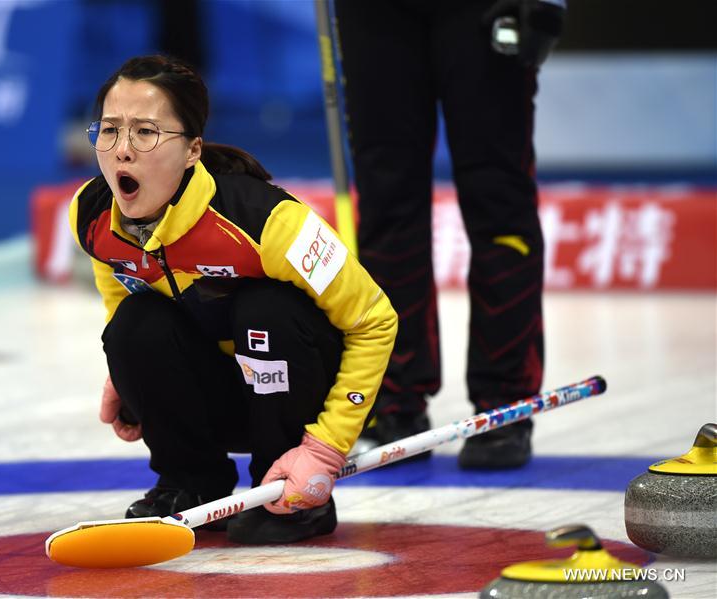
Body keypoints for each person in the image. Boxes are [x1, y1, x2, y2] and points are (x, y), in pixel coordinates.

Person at [68, 55, 397, 544]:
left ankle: (288, 493)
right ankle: (191, 482)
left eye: (145, 132)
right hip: (217, 399)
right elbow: (122, 290)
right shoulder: (92, 212)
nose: (122, 151)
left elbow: (375, 320)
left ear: (192, 150)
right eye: (110, 130)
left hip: (302, 397)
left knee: (266, 309)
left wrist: (327, 445)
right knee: (134, 324)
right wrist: (130, 372)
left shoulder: (269, 221)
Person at [334, 0, 564, 468]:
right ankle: (395, 403)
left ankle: (505, 403)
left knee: (499, 202)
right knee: (385, 204)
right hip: (374, 13)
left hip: (485, 7)